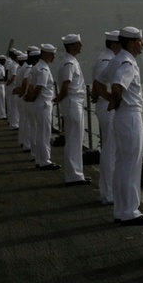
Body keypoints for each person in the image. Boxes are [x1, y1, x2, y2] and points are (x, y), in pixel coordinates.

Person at [108, 26, 143, 225]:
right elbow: (118, 85)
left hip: (122, 116)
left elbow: (101, 80)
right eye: (140, 41)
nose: (142, 44)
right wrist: (116, 100)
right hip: (130, 115)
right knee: (131, 165)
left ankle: (120, 210)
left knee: (121, 165)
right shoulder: (127, 62)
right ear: (132, 43)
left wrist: (113, 101)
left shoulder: (117, 59)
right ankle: (130, 211)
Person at [54, 34, 91, 186]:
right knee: (74, 139)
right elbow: (66, 85)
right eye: (78, 44)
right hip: (72, 102)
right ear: (70, 46)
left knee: (75, 139)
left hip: (74, 102)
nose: (81, 46)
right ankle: (73, 175)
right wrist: (58, 98)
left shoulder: (70, 61)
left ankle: (77, 173)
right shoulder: (69, 63)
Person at [92, 31, 122, 205]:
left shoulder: (106, 57)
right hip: (108, 107)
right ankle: (108, 193)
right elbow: (99, 84)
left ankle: (109, 191)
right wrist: (113, 100)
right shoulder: (107, 59)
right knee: (110, 151)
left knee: (110, 149)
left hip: (105, 105)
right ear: (114, 44)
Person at [25, 44, 59, 170]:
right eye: (52, 54)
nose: (54, 57)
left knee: (40, 132)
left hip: (39, 103)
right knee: (44, 133)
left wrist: (32, 99)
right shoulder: (43, 69)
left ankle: (40, 159)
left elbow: (31, 86)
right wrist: (33, 98)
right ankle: (45, 160)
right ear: (45, 54)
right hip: (43, 103)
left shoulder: (37, 67)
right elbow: (39, 87)